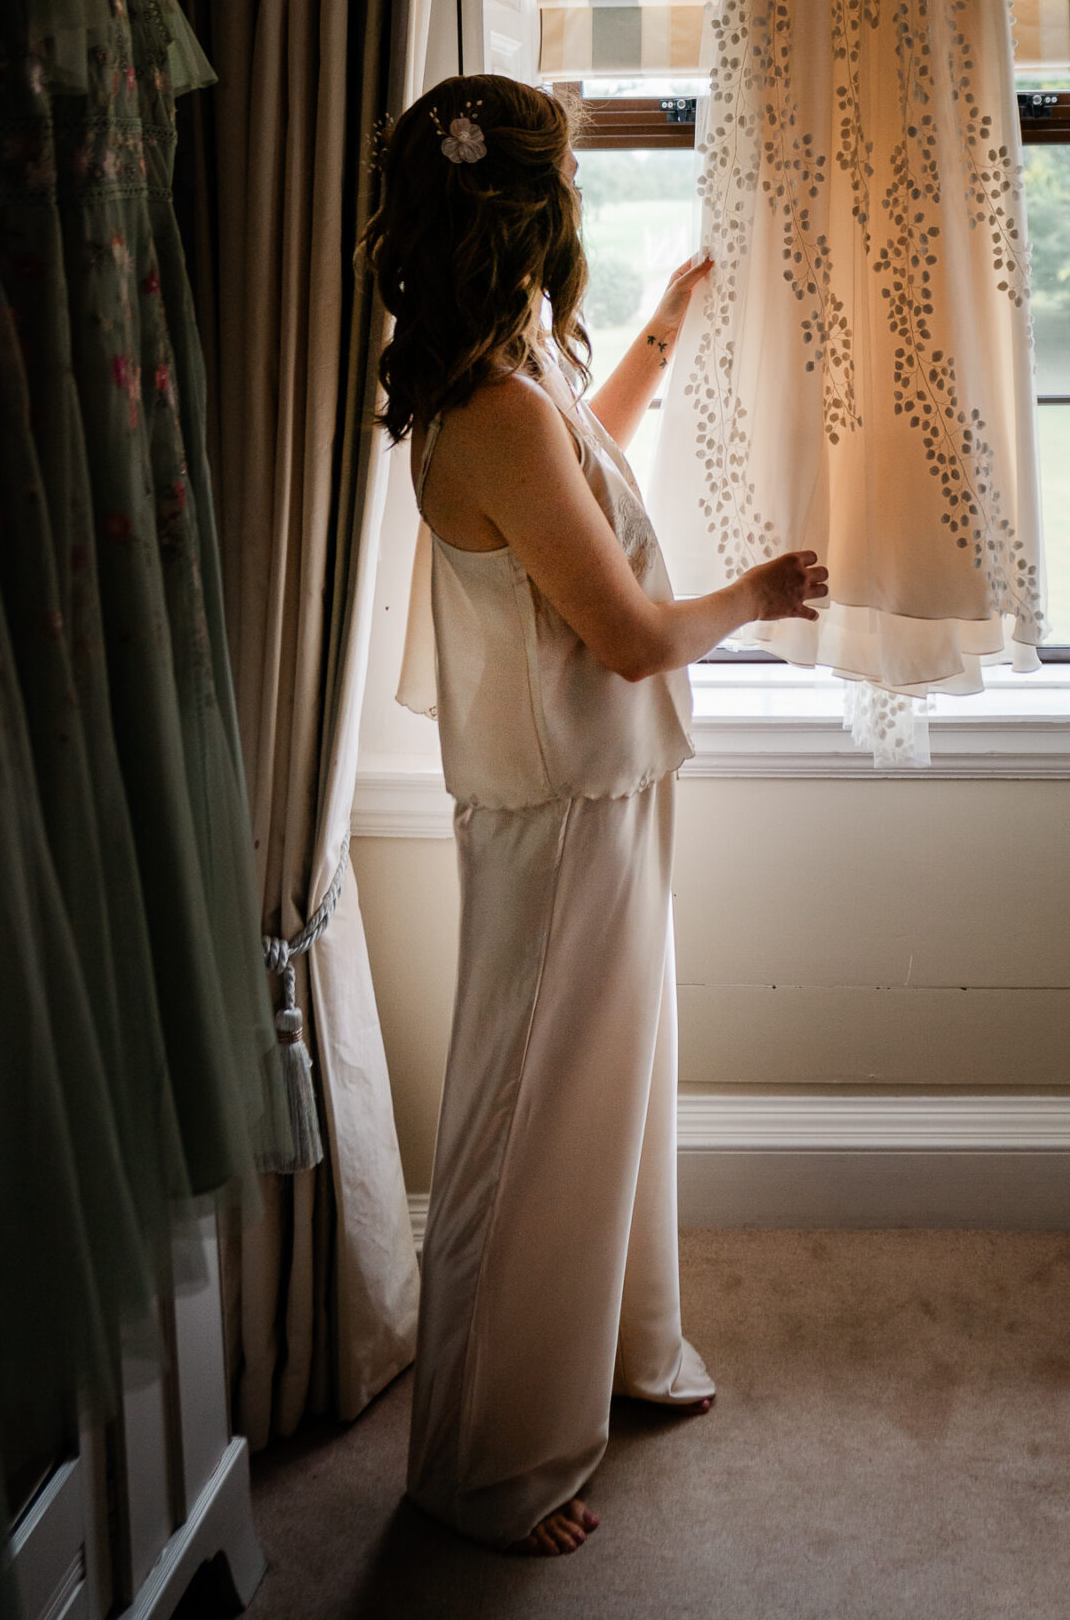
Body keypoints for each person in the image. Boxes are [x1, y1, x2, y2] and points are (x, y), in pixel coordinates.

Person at [363, 75, 827, 1558]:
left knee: (607, 1100)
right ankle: (484, 1466)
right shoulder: (490, 407)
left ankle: (616, 1355)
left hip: (601, 798)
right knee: (528, 1125)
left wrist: (665, 325)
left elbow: (584, 463)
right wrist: (755, 596)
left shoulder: (515, 372)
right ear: (530, 212)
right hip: (559, 819)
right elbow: (626, 635)